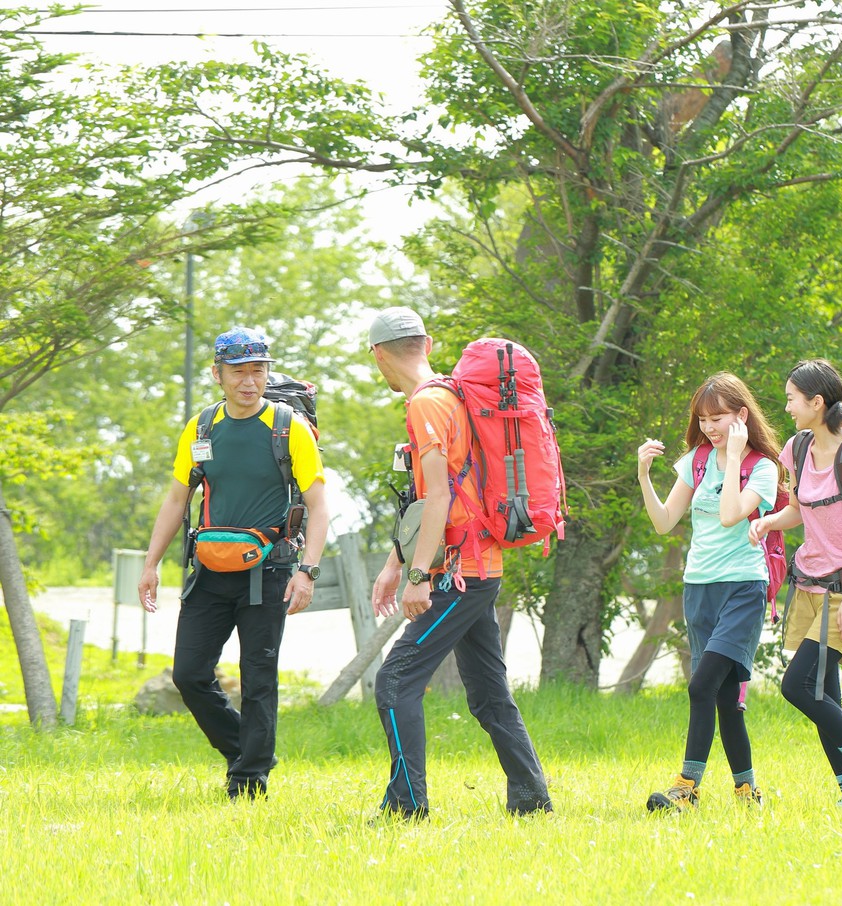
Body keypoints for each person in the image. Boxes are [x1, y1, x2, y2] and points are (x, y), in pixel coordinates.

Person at [367, 306, 552, 820]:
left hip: (458, 574)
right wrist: (394, 564)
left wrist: (418, 577)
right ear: (427, 344)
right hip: (479, 566)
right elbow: (429, 501)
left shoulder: (426, 406)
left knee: (395, 682)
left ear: (378, 356)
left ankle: (406, 806)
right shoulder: (451, 395)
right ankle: (531, 797)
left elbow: (442, 496)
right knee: (489, 693)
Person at [138, 326, 329, 799]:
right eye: (238, 372)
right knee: (189, 673)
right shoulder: (202, 426)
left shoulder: (289, 427)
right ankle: (247, 749)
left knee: (258, 676)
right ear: (217, 375)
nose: (249, 381)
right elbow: (177, 497)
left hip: (270, 569)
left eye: (258, 370)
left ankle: (248, 780)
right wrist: (151, 563)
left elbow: (320, 507)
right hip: (209, 568)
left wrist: (307, 571)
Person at [749, 359, 842, 809]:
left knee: (796, 686)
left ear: (818, 402)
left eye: (793, 398)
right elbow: (799, 509)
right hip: (809, 581)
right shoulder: (795, 449)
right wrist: (769, 521)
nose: (787, 406)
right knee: (822, 692)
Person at [638, 372, 782, 811]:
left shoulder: (763, 467)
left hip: (742, 586)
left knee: (700, 686)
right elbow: (665, 521)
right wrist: (643, 474)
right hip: (698, 588)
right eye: (702, 420)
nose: (709, 428)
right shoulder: (696, 461)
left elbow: (728, 515)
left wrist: (736, 457)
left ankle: (686, 788)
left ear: (741, 415)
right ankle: (746, 790)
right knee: (723, 698)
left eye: (718, 418)